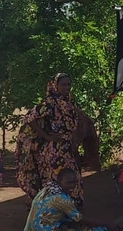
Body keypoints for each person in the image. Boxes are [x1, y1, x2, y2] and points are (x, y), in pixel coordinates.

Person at [16, 73, 97, 203]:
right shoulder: (50, 103)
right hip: (54, 150)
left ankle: (68, 210)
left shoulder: (67, 102)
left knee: (72, 179)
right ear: (55, 86)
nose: (66, 87)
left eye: (68, 84)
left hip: (67, 148)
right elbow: (30, 118)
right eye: (63, 84)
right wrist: (47, 136)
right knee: (55, 179)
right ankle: (53, 212)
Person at [23, 167, 123, 231]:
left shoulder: (47, 189)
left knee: (85, 225)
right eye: (69, 183)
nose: (73, 186)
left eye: (75, 182)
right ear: (59, 181)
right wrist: (106, 223)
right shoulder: (61, 200)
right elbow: (80, 219)